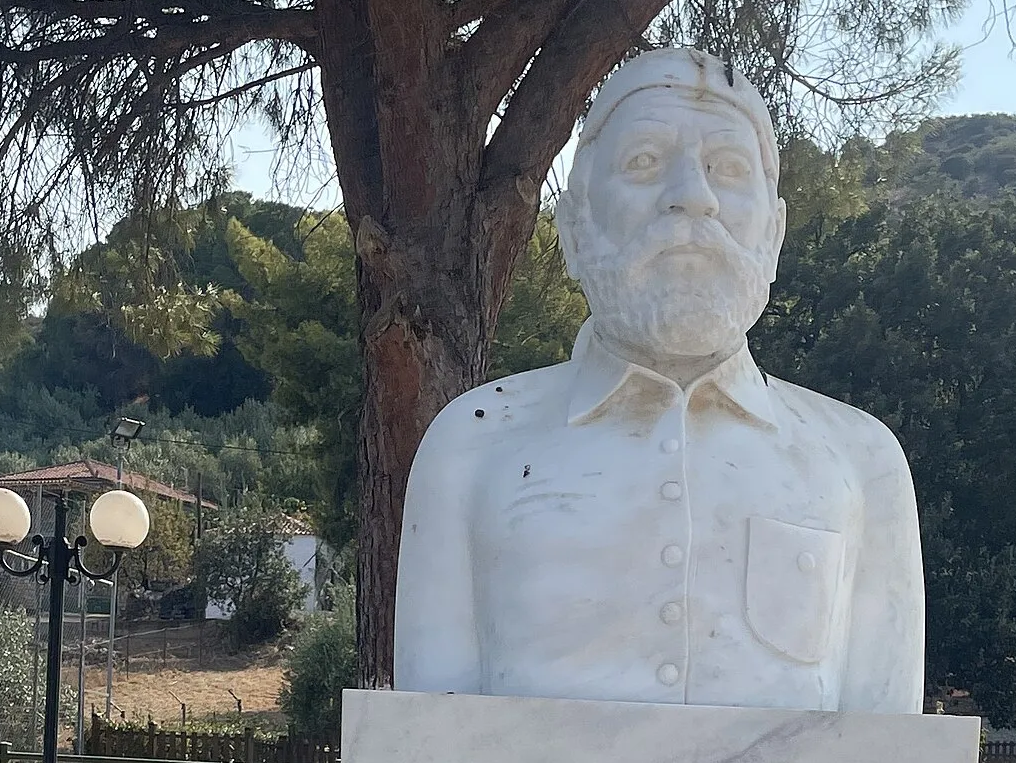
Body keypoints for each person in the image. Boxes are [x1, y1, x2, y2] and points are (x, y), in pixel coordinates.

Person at [394, 45, 924, 713]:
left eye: (727, 168)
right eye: (644, 162)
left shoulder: (861, 461)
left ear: (775, 234)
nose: (691, 198)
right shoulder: (471, 447)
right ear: (573, 231)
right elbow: (427, 760)